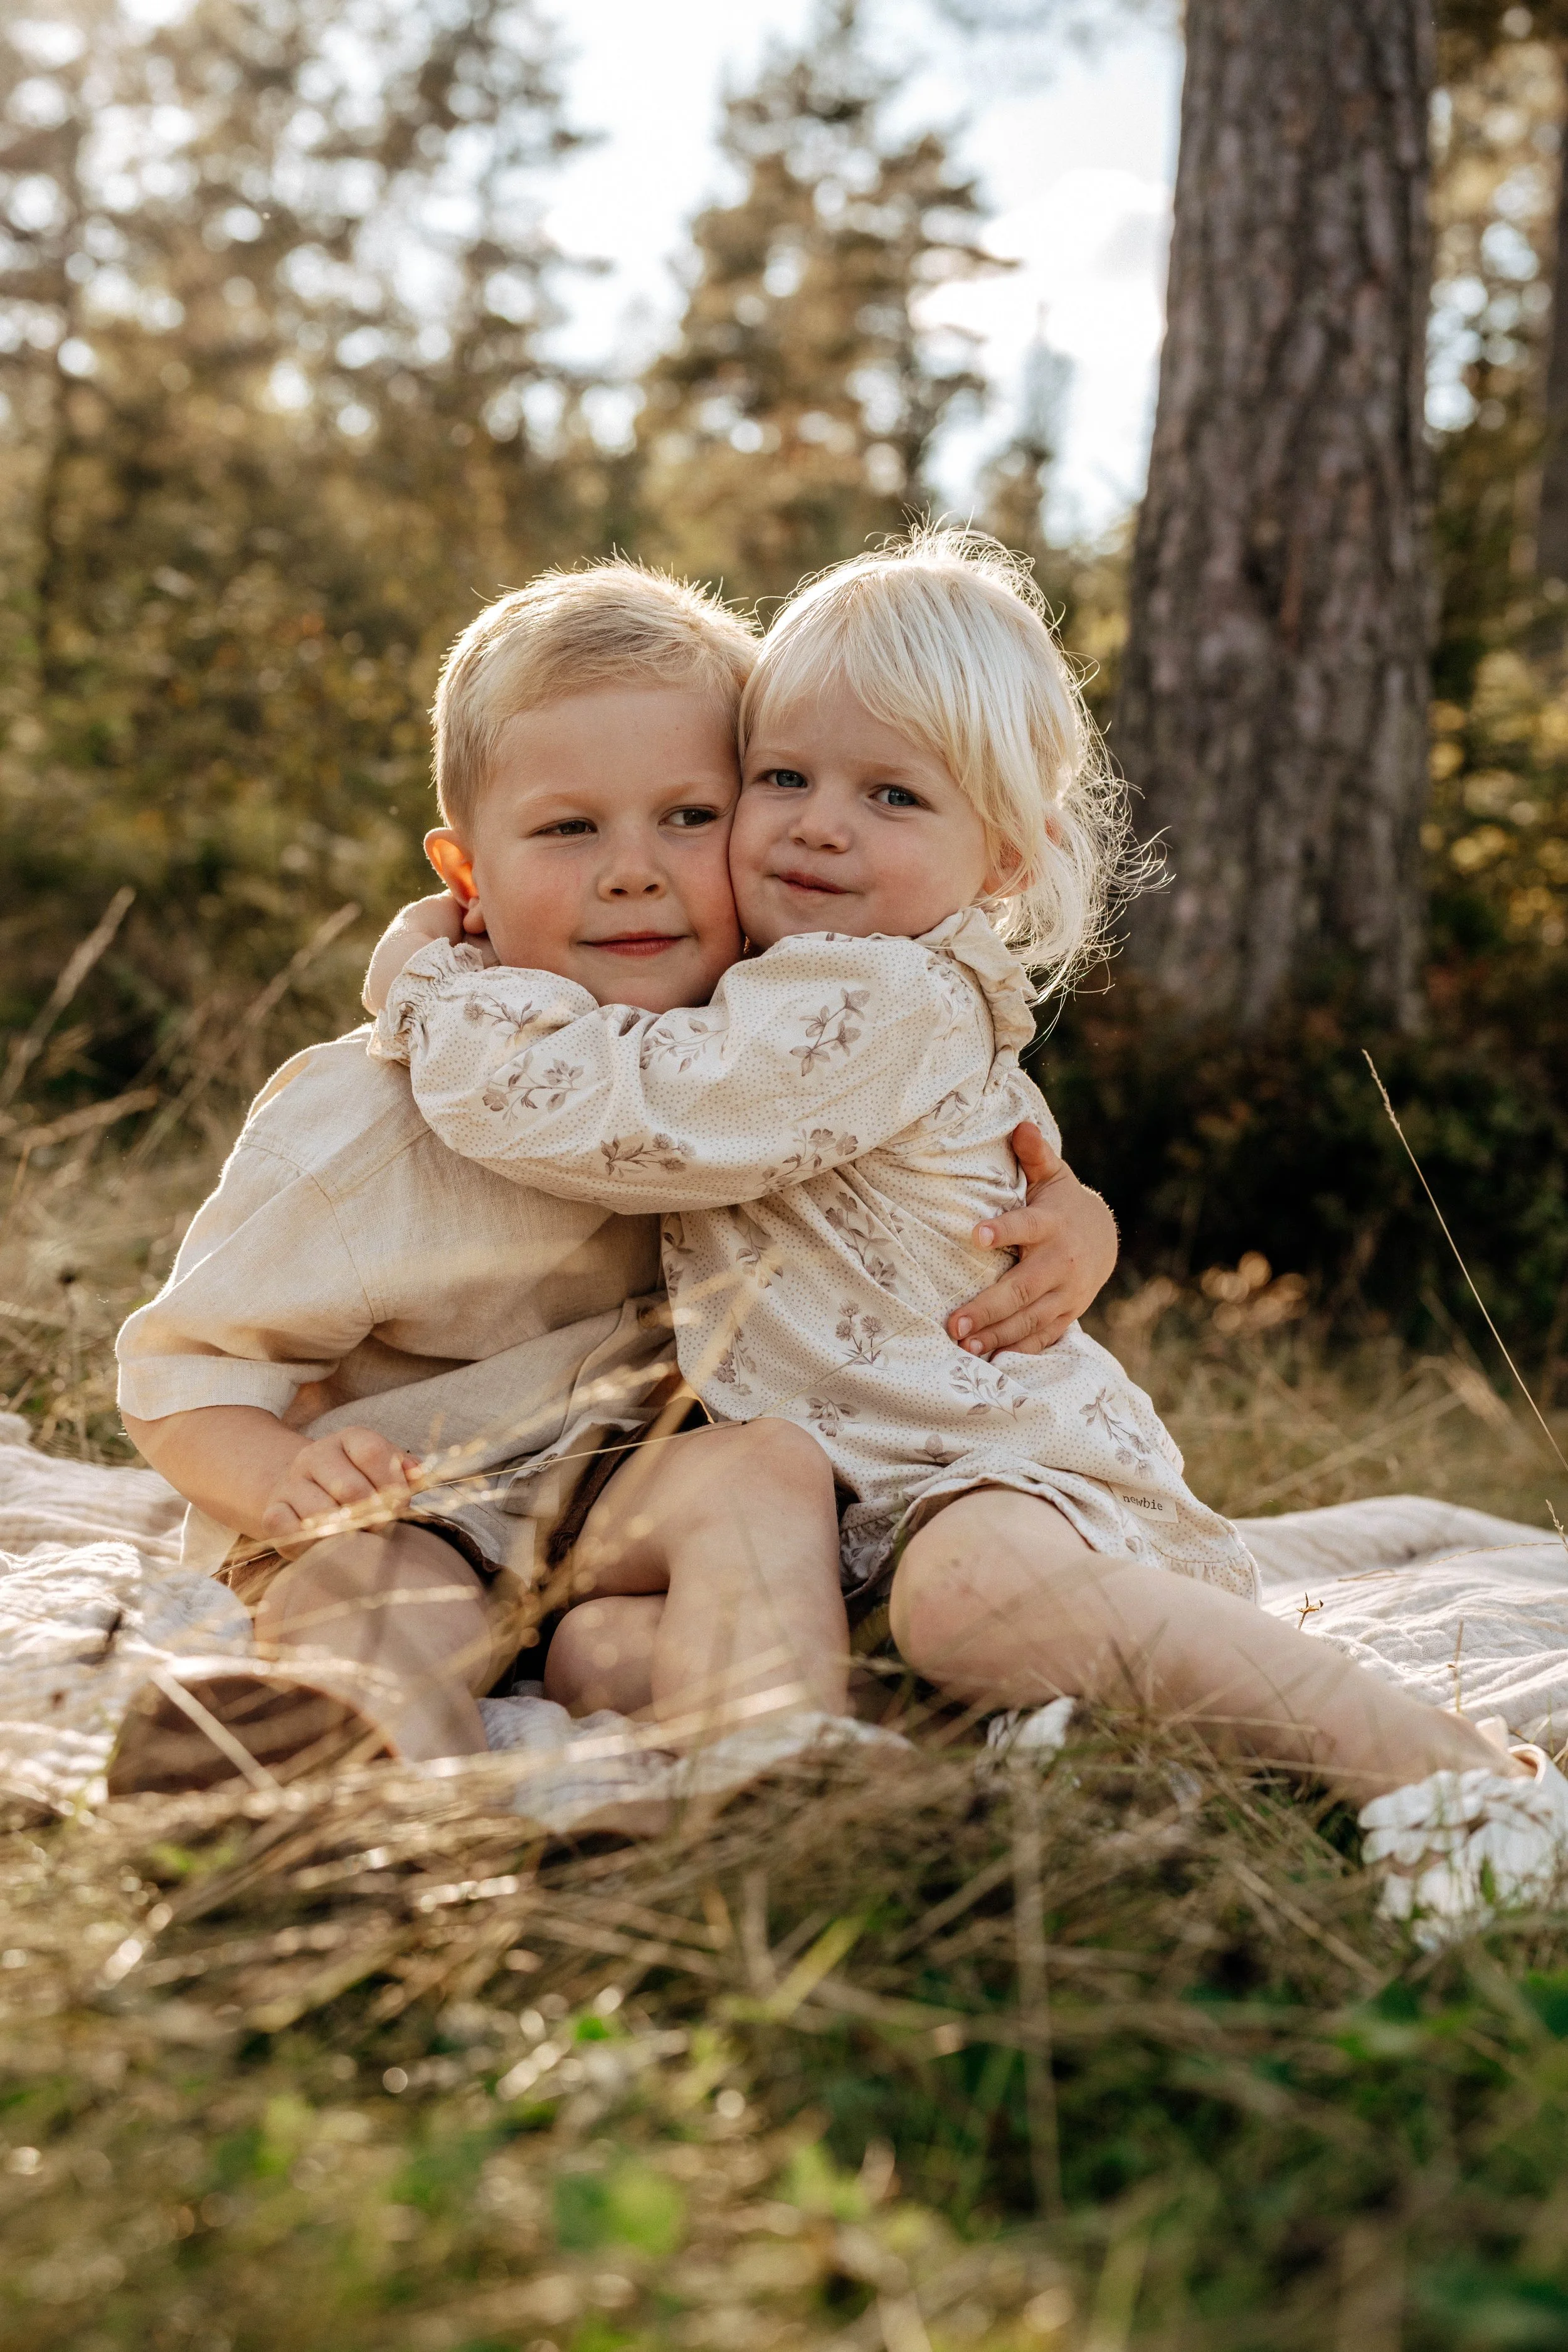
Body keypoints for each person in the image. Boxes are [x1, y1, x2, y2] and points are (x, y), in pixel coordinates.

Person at [367, 527, 1568, 1936]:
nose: (820, 823)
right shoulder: (788, 970)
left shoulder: (877, 1001)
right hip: (857, 1525)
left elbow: (631, 1118)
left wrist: (443, 984)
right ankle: (995, 1751)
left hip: (992, 1482)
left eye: (890, 794)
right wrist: (1079, 1209)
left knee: (969, 1597)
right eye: (781, 778)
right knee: (603, 1652)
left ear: (1000, 857)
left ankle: (1452, 1777)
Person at [114, 558, 1117, 1783]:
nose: (632, 869)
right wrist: (281, 1477)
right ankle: (366, 1786)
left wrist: (1071, 1217)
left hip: (631, 1512)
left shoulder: (763, 1064)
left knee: (769, 1469)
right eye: (568, 827)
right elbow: (178, 1378)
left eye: (689, 816)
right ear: (465, 876)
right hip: (410, 1500)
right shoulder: (369, 1113)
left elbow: (962, 1153)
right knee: (379, 1596)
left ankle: (769, 1764)